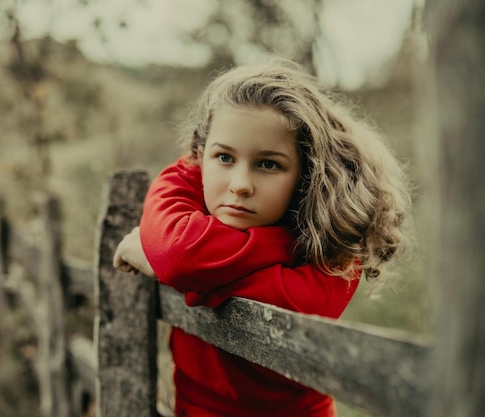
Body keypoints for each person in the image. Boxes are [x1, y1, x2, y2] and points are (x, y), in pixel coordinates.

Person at [113, 60, 411, 417]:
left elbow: (177, 257)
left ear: (306, 175)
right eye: (224, 157)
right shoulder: (185, 179)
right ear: (199, 156)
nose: (240, 184)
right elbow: (180, 255)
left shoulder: (335, 235)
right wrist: (276, 251)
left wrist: (163, 262)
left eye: (268, 164)